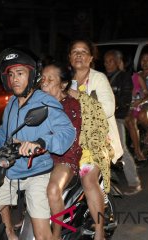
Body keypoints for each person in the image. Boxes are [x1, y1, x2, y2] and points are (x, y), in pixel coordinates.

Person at [0, 47, 76, 240]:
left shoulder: (45, 102)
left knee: (41, 234)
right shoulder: (12, 103)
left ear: (32, 75)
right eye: (11, 75)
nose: (15, 79)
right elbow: (4, 132)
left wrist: (41, 142)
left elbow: (68, 132)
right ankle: (11, 234)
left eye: (20, 73)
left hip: (37, 172)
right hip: (11, 170)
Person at [68, 39, 123, 240]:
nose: (79, 55)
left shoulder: (98, 79)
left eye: (84, 52)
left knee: (88, 179)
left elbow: (108, 108)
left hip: (98, 140)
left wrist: (78, 97)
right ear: (69, 58)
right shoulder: (64, 81)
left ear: (91, 58)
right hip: (70, 141)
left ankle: (99, 231)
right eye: (75, 51)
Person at [40, 61, 82, 239]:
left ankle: (56, 234)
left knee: (53, 189)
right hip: (42, 155)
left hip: (65, 156)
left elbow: (69, 140)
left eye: (50, 79)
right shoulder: (38, 103)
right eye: (43, 79)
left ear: (63, 84)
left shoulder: (71, 105)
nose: (45, 82)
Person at [103, 49, 142, 195]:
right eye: (106, 61)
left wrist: (111, 107)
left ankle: (134, 182)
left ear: (118, 62)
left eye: (111, 61)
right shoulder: (101, 77)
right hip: (101, 118)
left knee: (121, 149)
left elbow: (125, 98)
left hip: (116, 117)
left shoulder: (124, 77)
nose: (107, 64)